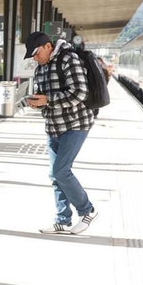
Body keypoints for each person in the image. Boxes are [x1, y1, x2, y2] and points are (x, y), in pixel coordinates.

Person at [22, 30, 98, 235]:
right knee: (55, 175)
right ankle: (62, 220)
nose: (35, 58)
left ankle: (87, 210)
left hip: (75, 125)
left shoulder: (69, 59)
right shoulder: (40, 68)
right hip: (53, 126)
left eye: (36, 53)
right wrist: (37, 103)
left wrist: (48, 100)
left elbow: (79, 93)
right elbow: (45, 96)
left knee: (61, 171)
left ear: (48, 46)